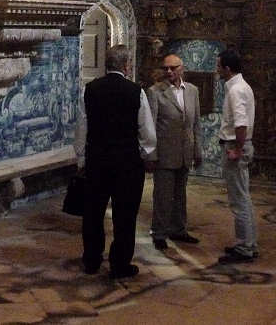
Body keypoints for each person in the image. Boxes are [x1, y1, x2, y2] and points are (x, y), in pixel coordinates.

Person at [74, 44, 156, 279]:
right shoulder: (136, 92)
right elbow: (147, 132)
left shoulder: (89, 90)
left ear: (106, 65)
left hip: (97, 161)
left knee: (93, 214)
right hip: (127, 163)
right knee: (125, 216)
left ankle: (91, 259)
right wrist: (144, 154)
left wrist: (81, 158)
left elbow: (81, 127)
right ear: (126, 66)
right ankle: (120, 264)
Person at [147, 54, 201, 250]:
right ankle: (159, 232)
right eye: (166, 68)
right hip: (165, 153)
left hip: (185, 152)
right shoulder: (155, 92)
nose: (169, 71)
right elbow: (150, 126)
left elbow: (196, 124)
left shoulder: (192, 91)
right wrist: (151, 155)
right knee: (162, 196)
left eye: (173, 68)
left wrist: (197, 151)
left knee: (180, 194)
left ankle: (178, 229)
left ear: (182, 68)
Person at [216, 48, 258, 262]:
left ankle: (244, 248)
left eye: (218, 66)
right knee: (244, 197)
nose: (216, 69)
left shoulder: (235, 90)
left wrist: (238, 149)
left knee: (238, 200)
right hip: (240, 144)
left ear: (227, 68)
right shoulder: (242, 86)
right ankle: (249, 243)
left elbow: (241, 124)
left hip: (235, 146)